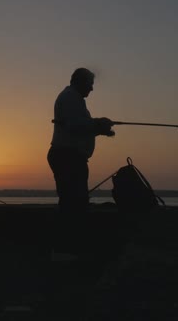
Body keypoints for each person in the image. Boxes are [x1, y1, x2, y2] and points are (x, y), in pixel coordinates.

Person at [47, 67, 115, 258]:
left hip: (70, 156)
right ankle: (65, 249)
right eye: (90, 84)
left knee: (75, 202)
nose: (92, 89)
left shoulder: (74, 99)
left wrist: (99, 128)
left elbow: (77, 124)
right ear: (80, 82)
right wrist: (98, 124)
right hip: (67, 157)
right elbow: (74, 126)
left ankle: (68, 247)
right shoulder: (70, 98)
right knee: (72, 203)